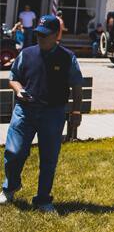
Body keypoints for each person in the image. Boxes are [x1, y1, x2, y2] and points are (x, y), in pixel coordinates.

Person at [1, 15, 83, 212]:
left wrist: (76, 111)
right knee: (14, 152)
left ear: (56, 35)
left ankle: (43, 199)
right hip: (24, 111)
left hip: (53, 113)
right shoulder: (27, 53)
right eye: (38, 34)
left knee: (49, 159)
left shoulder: (67, 57)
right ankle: (10, 187)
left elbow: (77, 86)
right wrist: (19, 90)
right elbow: (13, 78)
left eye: (45, 36)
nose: (40, 38)